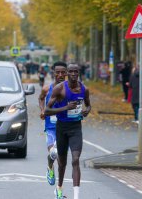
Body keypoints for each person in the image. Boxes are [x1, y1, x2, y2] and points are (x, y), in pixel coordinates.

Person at [44, 63, 91, 199]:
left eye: (76, 71)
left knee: (75, 160)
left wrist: (86, 111)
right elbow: (47, 110)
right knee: (62, 163)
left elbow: (88, 105)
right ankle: (59, 188)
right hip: (61, 127)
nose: (73, 74)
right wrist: (65, 108)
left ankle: (76, 196)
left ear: (79, 72)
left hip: (76, 128)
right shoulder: (60, 89)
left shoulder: (84, 89)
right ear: (67, 74)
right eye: (71, 72)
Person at [39, 61, 68, 186]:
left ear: (66, 73)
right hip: (51, 127)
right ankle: (50, 168)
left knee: (61, 159)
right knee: (53, 153)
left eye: (63, 72)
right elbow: (40, 98)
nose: (60, 75)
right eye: (58, 72)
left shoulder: (70, 90)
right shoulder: (47, 89)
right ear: (53, 73)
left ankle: (59, 189)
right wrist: (42, 110)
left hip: (65, 127)